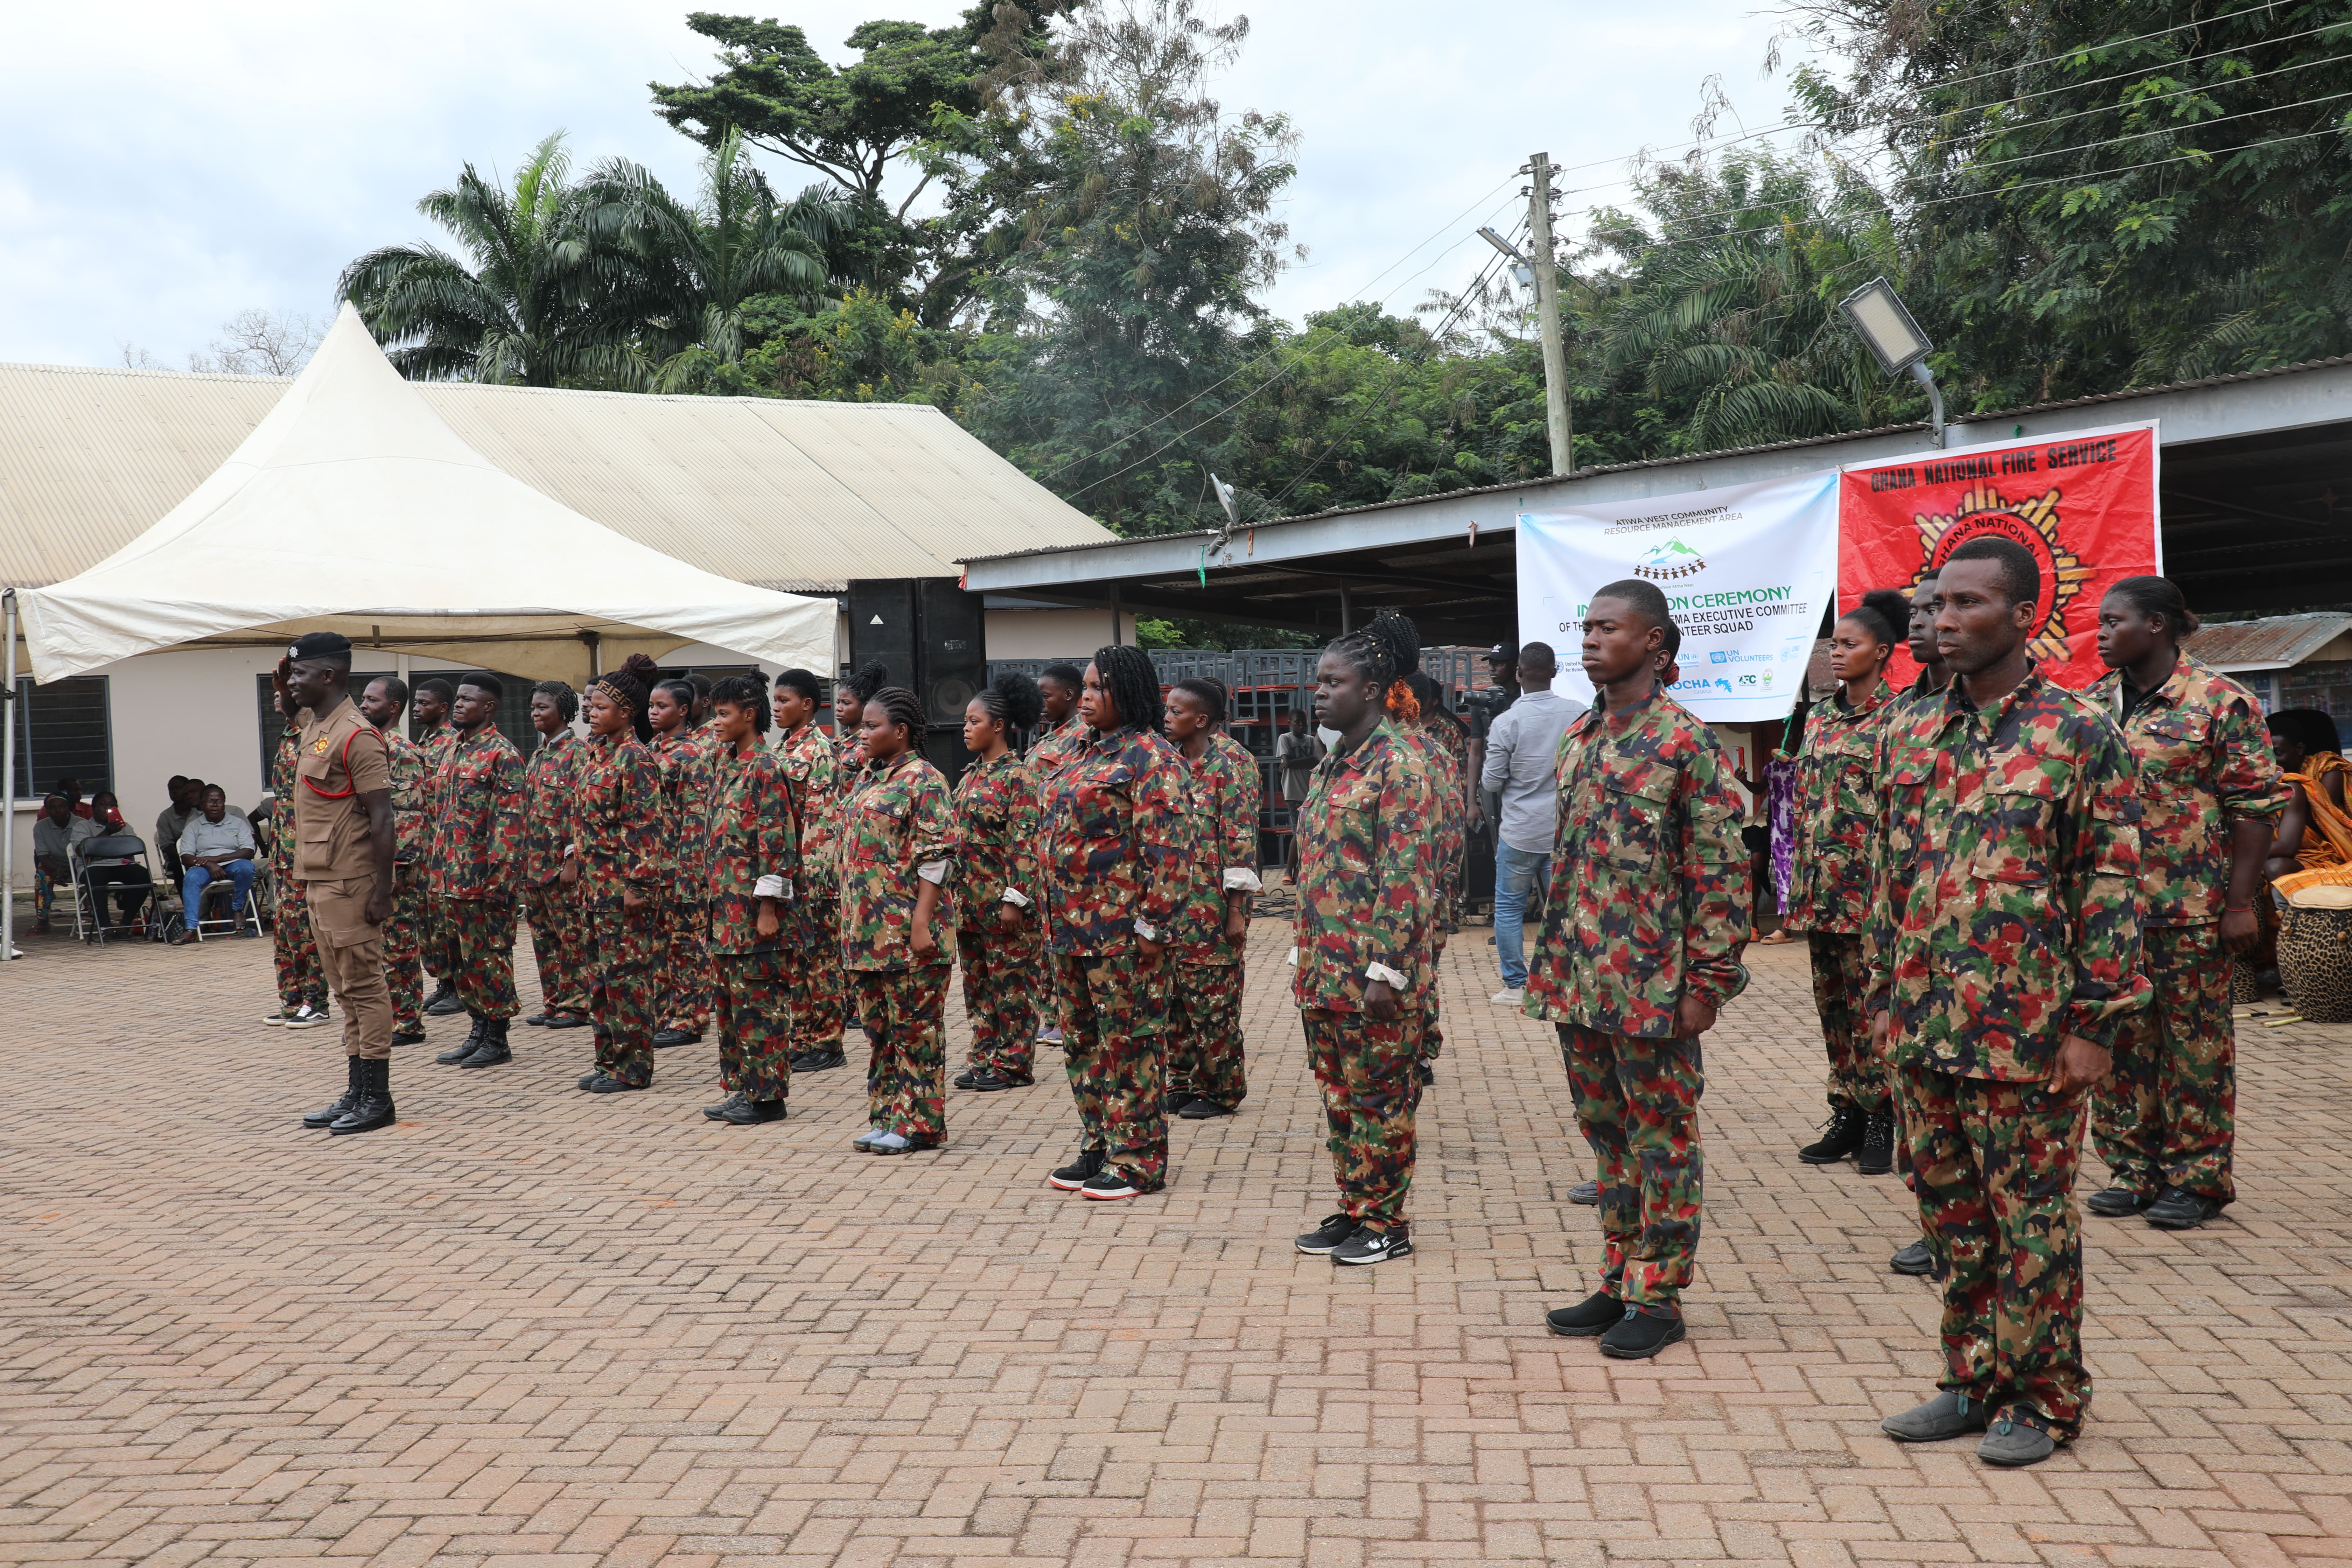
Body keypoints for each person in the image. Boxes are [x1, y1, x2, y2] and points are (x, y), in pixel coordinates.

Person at [1868, 536, 2150, 1468]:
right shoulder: (1909, 731)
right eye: (1938, 604)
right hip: (1926, 1022)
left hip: (2030, 1035)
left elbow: (2109, 888)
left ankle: (2044, 1396)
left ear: (2023, 615)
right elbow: (1890, 879)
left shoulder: (2078, 734)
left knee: (2031, 1220)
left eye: (1967, 605)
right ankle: (1972, 1377)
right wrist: (1882, 1001)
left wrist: (2095, 1025)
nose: (1945, 622)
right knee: (1949, 1215)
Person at [1527, 579, 1750, 1362]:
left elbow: (1721, 872)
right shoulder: (1582, 734)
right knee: (1607, 1135)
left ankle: (1659, 1294)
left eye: (1607, 628)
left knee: (1662, 1138)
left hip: (1653, 986)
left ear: (1654, 642)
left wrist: (1709, 982)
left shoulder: (1686, 743)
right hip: (1581, 979)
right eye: (1585, 627)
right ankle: (1621, 1273)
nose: (1589, 640)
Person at [2084, 577, 2284, 1231]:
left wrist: (2239, 904)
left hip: (2191, 911)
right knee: (2120, 1043)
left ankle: (2197, 1179)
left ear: (2160, 626)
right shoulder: (2092, 706)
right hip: (2110, 914)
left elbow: (2254, 811)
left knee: (2195, 1048)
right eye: (2100, 621)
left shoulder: (2221, 702)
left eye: (2115, 621)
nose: (2102, 632)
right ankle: (2133, 1171)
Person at [1289, 629, 1438, 1267]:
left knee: (1381, 1099)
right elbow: (1322, 867)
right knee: (1341, 1097)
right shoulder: (1334, 763)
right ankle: (1356, 1207)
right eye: (1318, 681)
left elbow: (1407, 875)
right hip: (1328, 966)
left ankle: (1387, 1220)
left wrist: (1389, 969)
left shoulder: (1400, 763)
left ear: (1371, 691)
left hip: (1375, 974)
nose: (1318, 693)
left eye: (1334, 683)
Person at [1040, 645, 1186, 1200]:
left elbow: (1170, 852)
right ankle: (1100, 1142)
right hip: (1070, 931)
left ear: (1130, 692)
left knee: (1131, 1044)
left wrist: (1154, 928)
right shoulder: (1082, 751)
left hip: (1124, 935)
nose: (1087, 697)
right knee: (1083, 1044)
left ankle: (1139, 1159)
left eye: (1099, 687)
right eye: (1085, 686)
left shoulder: (1153, 758)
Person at [1784, 589, 1911, 1175]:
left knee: (1874, 1010)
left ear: (1882, 652)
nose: (1836, 654)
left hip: (1873, 898)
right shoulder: (1818, 718)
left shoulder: (1902, 717)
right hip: (1821, 892)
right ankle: (1848, 1114)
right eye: (1833, 644)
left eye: (1849, 644)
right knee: (1834, 1011)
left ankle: (1883, 1115)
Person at [279, 634, 400, 1137]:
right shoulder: (317, 727)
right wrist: (284, 675)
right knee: (344, 992)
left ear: (328, 677)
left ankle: (378, 1097)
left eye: (302, 674)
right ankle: (356, 1090)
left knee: (366, 989)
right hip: (319, 879)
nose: (293, 683)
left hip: (351, 883)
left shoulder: (357, 735)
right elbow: (289, 702)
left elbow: (383, 819)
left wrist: (383, 891)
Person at [840, 686, 959, 1155]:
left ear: (901, 731)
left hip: (909, 934)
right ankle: (887, 1116)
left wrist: (922, 921)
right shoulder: (869, 779)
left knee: (916, 1032)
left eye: (873, 726)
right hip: (867, 936)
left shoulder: (924, 780)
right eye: (863, 725)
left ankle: (920, 1124)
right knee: (881, 1034)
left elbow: (939, 857)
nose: (863, 733)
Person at [700, 674, 800, 1126]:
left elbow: (777, 844)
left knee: (760, 1006)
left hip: (753, 915)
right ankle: (740, 1087)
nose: (716, 722)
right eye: (715, 713)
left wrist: (767, 909)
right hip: (725, 913)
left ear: (749, 715)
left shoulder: (764, 766)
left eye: (723, 714)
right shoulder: (727, 762)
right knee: (730, 1006)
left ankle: (767, 1097)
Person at [1161, 675, 1262, 1119]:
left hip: (1214, 906)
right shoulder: (1170, 761)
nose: (1167, 718)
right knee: (1177, 1002)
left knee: (1213, 1003)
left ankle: (1221, 1089)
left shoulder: (1231, 763)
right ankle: (1183, 1081)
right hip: (1174, 906)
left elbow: (1240, 840)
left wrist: (1236, 912)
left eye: (1175, 711)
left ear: (1201, 719)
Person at [569, 654, 666, 1092]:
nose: (592, 712)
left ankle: (632, 1068)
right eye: (591, 707)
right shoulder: (595, 754)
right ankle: (607, 1059)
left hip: (622, 890)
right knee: (600, 978)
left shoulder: (635, 758)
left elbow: (644, 825)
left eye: (602, 707)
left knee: (627, 978)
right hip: (594, 888)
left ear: (626, 714)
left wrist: (638, 884)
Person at [952, 671, 1045, 1093]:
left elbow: (1024, 845)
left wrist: (1015, 900)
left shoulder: (1018, 778)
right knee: (980, 987)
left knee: (1013, 988)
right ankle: (985, 1056)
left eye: (974, 721)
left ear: (999, 727)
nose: (966, 728)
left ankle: (1013, 1064)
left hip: (1005, 906)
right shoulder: (970, 775)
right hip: (970, 905)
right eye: (967, 721)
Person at [426, 673, 524, 1069]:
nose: (459, 705)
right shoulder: (453, 752)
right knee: (464, 961)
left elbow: (511, 824)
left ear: (489, 707)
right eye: (458, 698)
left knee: (489, 958)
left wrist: (500, 882)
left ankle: (497, 1037)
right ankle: (478, 1030)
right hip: (450, 877)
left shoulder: (504, 755)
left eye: (468, 699)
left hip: (483, 881)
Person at [1479, 641, 1584, 1005]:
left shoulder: (1506, 722)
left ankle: (1516, 985)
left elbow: (1491, 782)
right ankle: (1562, 983)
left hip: (1519, 832)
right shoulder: (1578, 714)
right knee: (1564, 908)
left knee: (1509, 908)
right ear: (1555, 672)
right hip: (1562, 831)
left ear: (1520, 675)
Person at [773, 668, 847, 1073]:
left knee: (821, 962)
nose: (776, 707)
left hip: (814, 877)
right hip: (790, 874)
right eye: (775, 699)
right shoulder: (783, 749)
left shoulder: (819, 751)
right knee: (797, 962)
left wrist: (814, 881)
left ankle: (829, 1042)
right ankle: (802, 1037)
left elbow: (823, 818)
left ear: (807, 704)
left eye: (784, 700)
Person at [359, 676, 430, 1046]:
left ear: (392, 707)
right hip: (375, 864)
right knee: (381, 948)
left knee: (400, 947)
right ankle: (389, 1018)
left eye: (371, 700)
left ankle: (407, 1022)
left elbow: (408, 814)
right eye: (363, 698)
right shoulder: (374, 745)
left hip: (398, 867)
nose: (363, 705)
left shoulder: (399, 750)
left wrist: (395, 871)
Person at [649, 677, 717, 1049]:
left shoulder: (692, 754)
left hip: (681, 869)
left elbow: (697, 819)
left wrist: (690, 878)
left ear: (683, 710)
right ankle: (665, 1015)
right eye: (652, 706)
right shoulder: (650, 750)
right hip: (655, 870)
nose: (654, 712)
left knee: (687, 948)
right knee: (661, 948)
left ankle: (689, 1019)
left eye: (662, 707)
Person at [519, 680, 589, 1031]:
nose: (536, 713)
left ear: (563, 711)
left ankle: (577, 1004)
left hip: (562, 867)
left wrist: (572, 861)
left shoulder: (579, 753)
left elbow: (580, 811)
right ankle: (553, 1001)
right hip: (535, 865)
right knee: (543, 937)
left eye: (543, 707)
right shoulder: (538, 755)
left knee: (571, 937)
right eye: (533, 707)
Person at [263, 693, 330, 1029]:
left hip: (305, 851)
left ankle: (316, 1002)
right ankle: (292, 1001)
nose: (278, 694)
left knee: (306, 930)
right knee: (285, 931)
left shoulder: (316, 734)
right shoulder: (289, 736)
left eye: (288, 686)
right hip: (283, 851)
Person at [831, 662, 891, 1035]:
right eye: (836, 702)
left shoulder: (867, 751)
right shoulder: (839, 746)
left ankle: (855, 1004)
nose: (838, 708)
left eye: (846, 702)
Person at [410, 677, 464, 1018]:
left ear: (443, 708)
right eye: (415, 702)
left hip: (444, 849)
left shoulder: (452, 744)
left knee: (446, 922)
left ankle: (459, 985)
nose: (416, 708)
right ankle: (444, 981)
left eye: (424, 703)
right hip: (423, 846)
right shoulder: (424, 742)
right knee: (428, 922)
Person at [73, 791, 152, 931]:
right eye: (103, 805)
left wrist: (98, 851)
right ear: (93, 808)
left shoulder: (124, 826)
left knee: (143, 876)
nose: (107, 808)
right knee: (96, 879)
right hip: (95, 867)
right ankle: (105, 927)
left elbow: (134, 847)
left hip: (122, 865)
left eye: (112, 805)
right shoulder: (82, 826)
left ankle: (126, 925)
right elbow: (82, 850)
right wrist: (107, 833)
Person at [30, 793, 98, 934]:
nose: (58, 810)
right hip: (54, 866)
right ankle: (42, 920)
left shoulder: (82, 824)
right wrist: (58, 870)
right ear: (47, 811)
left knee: (94, 870)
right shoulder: (40, 827)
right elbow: (42, 856)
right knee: (42, 874)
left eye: (62, 807)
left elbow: (88, 853)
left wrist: (73, 869)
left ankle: (96, 911)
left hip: (79, 864)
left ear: (69, 808)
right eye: (53, 808)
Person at [154, 776, 199, 884]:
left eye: (178, 788)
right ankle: (187, 900)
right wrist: (188, 857)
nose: (174, 792)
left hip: (203, 855)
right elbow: (167, 847)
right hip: (177, 859)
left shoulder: (199, 812)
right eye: (171, 789)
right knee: (179, 866)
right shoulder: (165, 817)